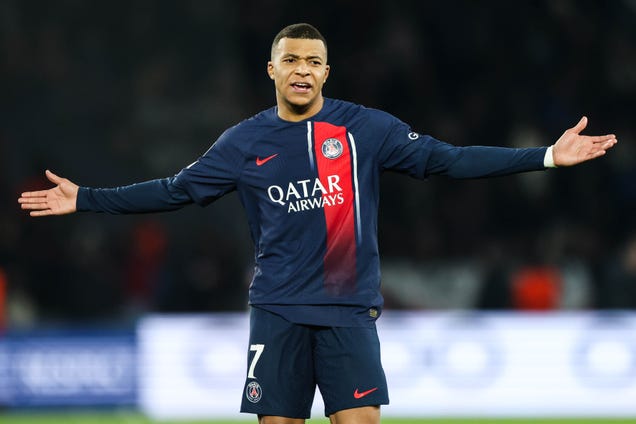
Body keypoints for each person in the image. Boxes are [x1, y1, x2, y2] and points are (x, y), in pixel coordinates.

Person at [18, 23, 617, 424]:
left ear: (327, 72)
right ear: (271, 70)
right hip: (277, 310)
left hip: (347, 310)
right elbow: (175, 191)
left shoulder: (366, 129)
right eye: (291, 60)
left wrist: (545, 156)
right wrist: (87, 199)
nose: (301, 70)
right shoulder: (243, 142)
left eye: (313, 61)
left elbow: (449, 160)